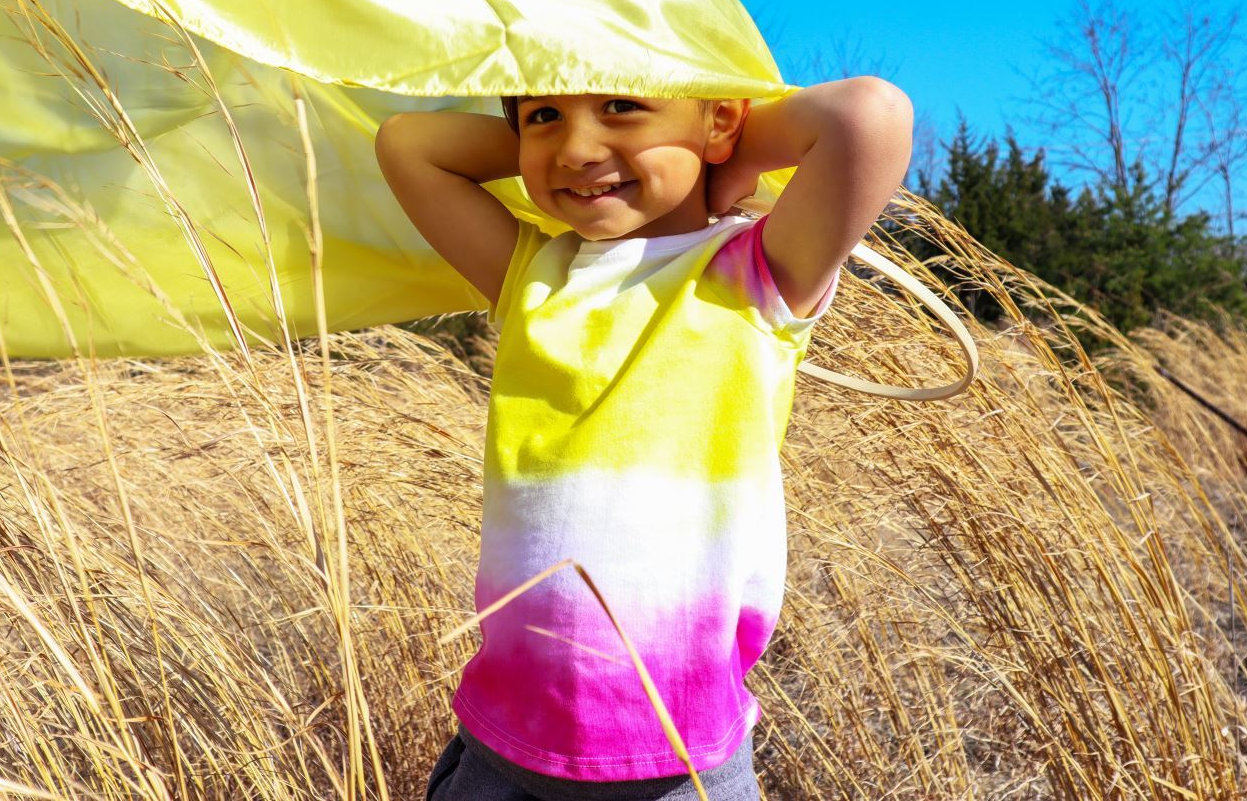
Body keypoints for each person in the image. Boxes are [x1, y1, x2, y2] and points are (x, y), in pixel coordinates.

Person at [375, 78, 913, 800]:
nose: (579, 148)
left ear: (722, 120)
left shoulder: (756, 275)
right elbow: (408, 144)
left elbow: (868, 115)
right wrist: (580, 142)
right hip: (499, 751)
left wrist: (726, 147)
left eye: (621, 107)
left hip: (676, 765)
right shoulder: (534, 274)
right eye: (544, 118)